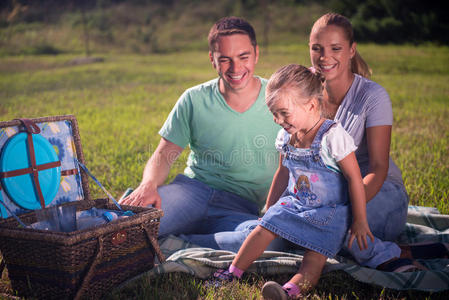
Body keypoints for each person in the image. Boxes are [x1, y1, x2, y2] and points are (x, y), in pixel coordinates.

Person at [211, 64, 374, 299]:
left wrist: (359, 220)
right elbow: (283, 173)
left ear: (311, 105)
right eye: (273, 113)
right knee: (262, 228)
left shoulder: (333, 137)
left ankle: (290, 291)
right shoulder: (286, 136)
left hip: (329, 213)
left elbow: (355, 179)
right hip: (296, 202)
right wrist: (269, 209)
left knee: (314, 257)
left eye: (283, 113)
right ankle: (232, 272)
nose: (278, 120)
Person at [119, 16, 281, 250]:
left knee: (272, 244)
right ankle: (160, 235)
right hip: (192, 193)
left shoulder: (278, 98)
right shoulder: (193, 99)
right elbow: (164, 154)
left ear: (256, 53)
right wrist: (148, 185)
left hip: (241, 208)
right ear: (212, 60)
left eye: (243, 57)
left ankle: (175, 244)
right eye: (225, 59)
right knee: (125, 229)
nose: (236, 68)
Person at [308, 13, 446, 271]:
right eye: (317, 49)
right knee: (293, 231)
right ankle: (406, 250)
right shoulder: (303, 86)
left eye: (335, 48)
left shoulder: (373, 96)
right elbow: (287, 153)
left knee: (330, 230)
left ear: (351, 50)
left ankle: (393, 256)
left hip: (379, 193)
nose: (325, 57)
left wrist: (344, 209)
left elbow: (378, 167)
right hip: (329, 194)